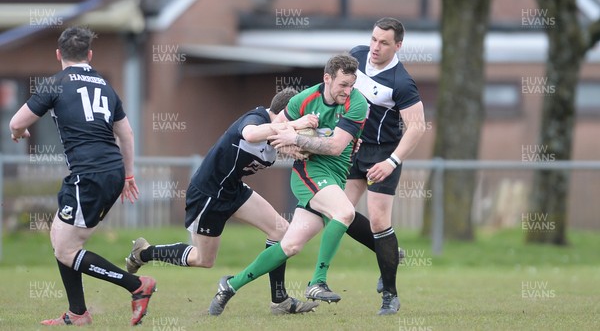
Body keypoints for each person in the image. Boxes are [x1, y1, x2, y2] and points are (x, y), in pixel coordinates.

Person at [124, 87, 320, 315]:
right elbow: (250, 134)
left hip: (233, 190)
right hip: (208, 194)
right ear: (287, 112)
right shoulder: (257, 119)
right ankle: (144, 252)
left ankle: (280, 301)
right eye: (297, 114)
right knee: (204, 259)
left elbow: (278, 143)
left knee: (280, 230)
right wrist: (293, 126)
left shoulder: (277, 131)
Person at [8, 26, 156, 326]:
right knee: (61, 240)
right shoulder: (104, 84)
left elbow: (16, 122)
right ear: (90, 54)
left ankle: (136, 285)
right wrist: (129, 175)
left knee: (65, 248)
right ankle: (78, 312)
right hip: (109, 171)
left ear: (58, 54)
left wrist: (19, 131)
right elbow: (125, 133)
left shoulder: (55, 84)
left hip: (90, 174)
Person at [208, 53, 368, 316]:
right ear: (327, 79)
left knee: (291, 246)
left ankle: (230, 285)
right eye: (343, 85)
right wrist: (291, 145)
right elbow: (275, 130)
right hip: (310, 172)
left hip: (335, 175)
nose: (348, 90)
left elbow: (336, 147)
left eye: (352, 85)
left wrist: (297, 139)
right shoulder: (302, 101)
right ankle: (318, 281)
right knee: (345, 212)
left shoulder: (357, 103)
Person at [324, 17, 426, 315]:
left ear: (398, 46)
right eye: (373, 39)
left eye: (384, 42)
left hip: (383, 153)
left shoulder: (401, 83)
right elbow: (334, 89)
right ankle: (390, 252)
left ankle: (390, 295)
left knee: (380, 221)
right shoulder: (355, 57)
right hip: (352, 147)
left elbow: (417, 127)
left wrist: (392, 162)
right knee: (337, 213)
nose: (375, 47)